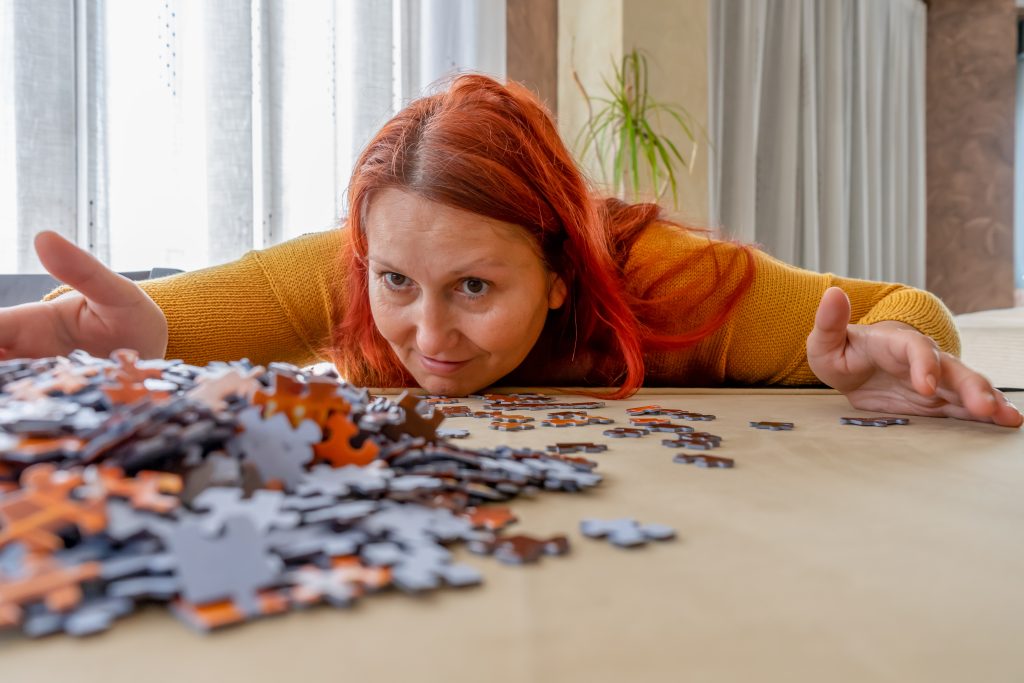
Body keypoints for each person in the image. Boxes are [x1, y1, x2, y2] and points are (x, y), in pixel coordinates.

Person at [0, 74, 1019, 428]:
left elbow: (897, 306)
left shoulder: (664, 274)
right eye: (395, 280)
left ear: (560, 270)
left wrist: (891, 349)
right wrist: (144, 332)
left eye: (475, 286)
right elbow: (176, 321)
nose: (423, 332)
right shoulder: (349, 266)